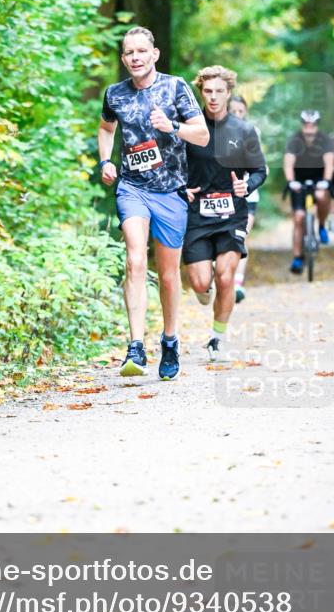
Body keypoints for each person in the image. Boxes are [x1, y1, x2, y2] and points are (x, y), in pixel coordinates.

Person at [98, 26, 209, 380]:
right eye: (129, 52)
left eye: (142, 51)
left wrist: (172, 126)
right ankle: (135, 346)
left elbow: (202, 135)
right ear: (123, 58)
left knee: (167, 275)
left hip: (170, 191)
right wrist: (106, 160)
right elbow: (106, 128)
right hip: (132, 188)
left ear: (154, 54)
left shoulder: (176, 87)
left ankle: (170, 340)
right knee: (134, 259)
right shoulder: (115, 94)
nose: (136, 57)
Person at [182, 66, 267, 361]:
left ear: (229, 93)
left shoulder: (243, 130)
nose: (213, 97)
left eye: (219, 91)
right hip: (197, 214)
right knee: (200, 283)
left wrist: (247, 185)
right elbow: (173, 166)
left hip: (232, 214)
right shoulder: (189, 129)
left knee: (226, 276)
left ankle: (217, 339)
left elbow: (260, 170)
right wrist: (182, 188)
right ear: (201, 93)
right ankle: (203, 290)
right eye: (208, 91)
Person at [283, 110, 334, 274]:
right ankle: (297, 257)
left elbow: (329, 164)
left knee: (321, 195)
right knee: (299, 217)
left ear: (317, 125)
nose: (309, 128)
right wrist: (291, 182)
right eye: (306, 124)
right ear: (302, 125)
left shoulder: (325, 140)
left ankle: (321, 226)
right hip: (299, 181)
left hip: (319, 179)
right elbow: (288, 164)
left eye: (312, 125)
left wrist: (326, 181)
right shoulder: (294, 140)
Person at [228, 94, 261, 303]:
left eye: (241, 111)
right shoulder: (214, 132)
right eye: (233, 111)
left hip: (248, 195)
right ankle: (220, 278)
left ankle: (237, 283)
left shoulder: (252, 132)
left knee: (241, 238)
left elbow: (258, 165)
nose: (238, 115)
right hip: (222, 195)